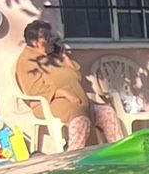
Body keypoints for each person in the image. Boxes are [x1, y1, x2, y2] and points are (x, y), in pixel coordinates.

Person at [14, 20, 122, 151]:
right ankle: (74, 156)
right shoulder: (27, 61)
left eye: (50, 36)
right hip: (50, 102)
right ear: (35, 42)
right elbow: (35, 90)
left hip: (76, 99)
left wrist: (63, 55)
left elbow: (76, 75)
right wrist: (65, 94)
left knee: (107, 112)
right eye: (46, 38)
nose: (50, 40)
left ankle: (119, 150)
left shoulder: (51, 57)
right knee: (80, 118)